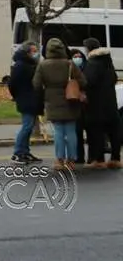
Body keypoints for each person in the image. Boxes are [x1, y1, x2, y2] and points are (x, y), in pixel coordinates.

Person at [33, 38, 87, 171]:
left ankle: (59, 159)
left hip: (52, 101)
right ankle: (72, 160)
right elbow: (83, 81)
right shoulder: (69, 64)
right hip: (71, 99)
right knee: (71, 131)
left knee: (58, 131)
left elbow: (36, 84)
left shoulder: (43, 65)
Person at [80, 37, 121, 169]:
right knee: (113, 132)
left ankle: (98, 159)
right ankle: (115, 158)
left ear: (88, 49)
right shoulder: (108, 62)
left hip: (96, 103)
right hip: (111, 103)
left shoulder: (92, 63)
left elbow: (88, 81)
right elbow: (114, 78)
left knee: (96, 132)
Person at [8, 40, 43, 164]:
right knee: (27, 126)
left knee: (29, 127)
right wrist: (17, 95)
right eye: (34, 51)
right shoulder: (21, 65)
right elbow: (12, 83)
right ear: (27, 52)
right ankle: (18, 152)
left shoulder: (29, 64)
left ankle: (25, 151)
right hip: (26, 98)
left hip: (30, 98)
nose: (36, 53)